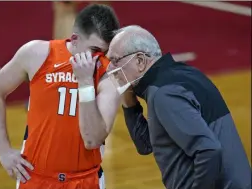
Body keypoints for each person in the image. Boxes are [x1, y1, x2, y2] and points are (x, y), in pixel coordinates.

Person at [0, 4, 120, 189]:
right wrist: (4, 151)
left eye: (104, 52)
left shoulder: (108, 75)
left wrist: (86, 83)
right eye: (94, 50)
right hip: (35, 178)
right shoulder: (37, 54)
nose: (99, 59)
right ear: (74, 40)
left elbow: (92, 140)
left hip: (85, 180)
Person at [106, 25, 251, 189]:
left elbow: (208, 151)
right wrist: (128, 99)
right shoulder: (183, 75)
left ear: (140, 61)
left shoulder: (164, 94)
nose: (111, 68)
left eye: (115, 60)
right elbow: (146, 144)